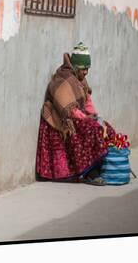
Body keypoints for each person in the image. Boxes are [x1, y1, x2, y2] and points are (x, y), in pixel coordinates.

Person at [35, 42, 116, 186]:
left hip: (78, 115)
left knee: (105, 127)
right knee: (92, 129)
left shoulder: (81, 81)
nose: (86, 72)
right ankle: (91, 174)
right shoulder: (64, 79)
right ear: (76, 67)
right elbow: (70, 110)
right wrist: (88, 119)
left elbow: (88, 102)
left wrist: (96, 117)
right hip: (62, 118)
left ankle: (100, 168)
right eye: (84, 69)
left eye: (87, 69)